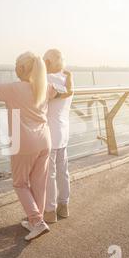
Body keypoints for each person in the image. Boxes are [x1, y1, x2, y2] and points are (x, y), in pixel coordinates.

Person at [0, 51, 73, 241]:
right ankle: (35, 222)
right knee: (39, 183)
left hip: (23, 142)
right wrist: (69, 77)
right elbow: (67, 91)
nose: (15, 67)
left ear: (22, 68)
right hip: (45, 140)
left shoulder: (14, 88)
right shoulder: (46, 87)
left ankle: (37, 221)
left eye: (16, 64)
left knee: (20, 183)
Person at [43, 49, 74, 223]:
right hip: (63, 132)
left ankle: (50, 211)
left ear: (47, 62)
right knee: (63, 171)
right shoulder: (67, 80)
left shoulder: (46, 80)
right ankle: (64, 206)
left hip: (49, 133)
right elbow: (68, 92)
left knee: (50, 174)